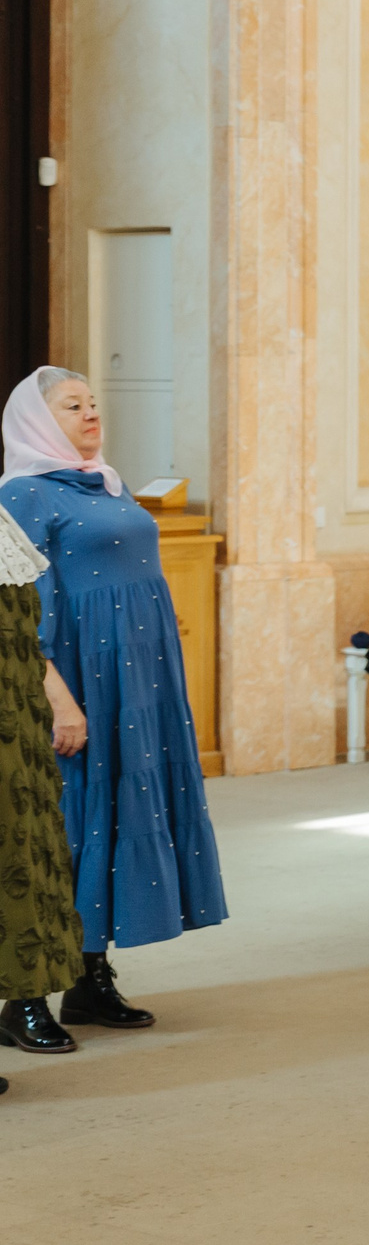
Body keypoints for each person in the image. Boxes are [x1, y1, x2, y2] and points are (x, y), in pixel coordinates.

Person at [1, 368, 226, 1026]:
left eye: (94, 402)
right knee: (62, 826)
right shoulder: (23, 493)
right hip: (77, 676)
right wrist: (58, 700)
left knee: (114, 814)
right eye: (73, 405)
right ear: (38, 421)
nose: (91, 412)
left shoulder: (107, 478)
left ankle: (88, 977)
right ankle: (24, 998)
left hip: (136, 680)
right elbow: (22, 608)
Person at [0, 500, 85, 1067]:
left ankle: (24, 1000)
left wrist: (55, 698)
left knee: (22, 859)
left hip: (14, 719)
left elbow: (22, 637)